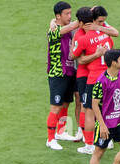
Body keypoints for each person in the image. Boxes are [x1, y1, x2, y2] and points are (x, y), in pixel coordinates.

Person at [71, 6, 119, 155]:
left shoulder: (84, 38)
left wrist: (91, 54)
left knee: (89, 111)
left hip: (92, 78)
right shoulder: (105, 35)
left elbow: (74, 56)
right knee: (106, 109)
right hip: (108, 76)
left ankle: (89, 144)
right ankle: (107, 140)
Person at [45, 3, 83, 150]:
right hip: (57, 74)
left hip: (69, 72)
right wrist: (80, 19)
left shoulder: (67, 30)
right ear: (58, 16)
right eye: (66, 13)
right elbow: (71, 26)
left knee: (66, 103)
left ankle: (61, 132)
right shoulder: (53, 31)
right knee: (55, 106)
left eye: (70, 13)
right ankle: (50, 139)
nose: (69, 16)